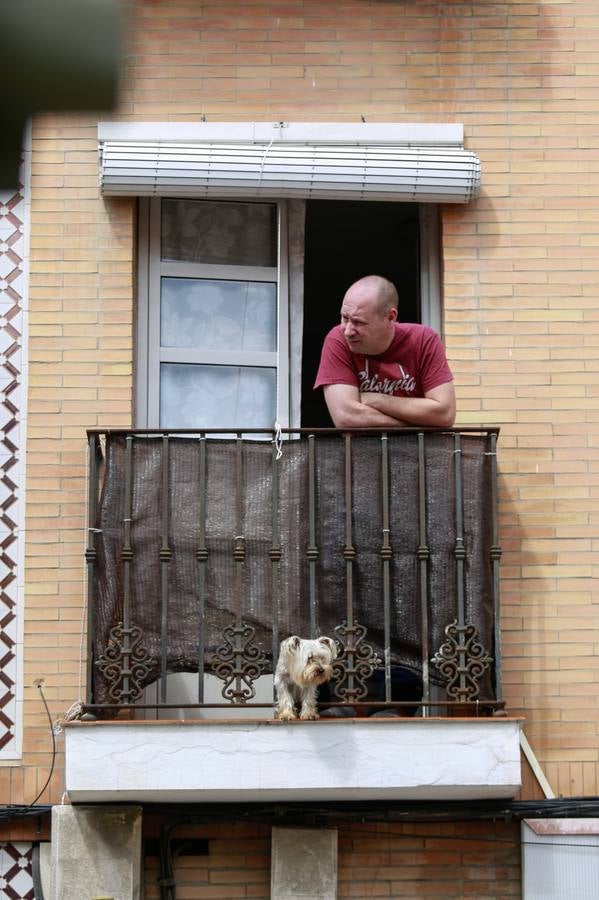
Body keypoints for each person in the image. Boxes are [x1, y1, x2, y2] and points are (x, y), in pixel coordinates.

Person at [314, 274, 456, 428]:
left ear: (390, 317)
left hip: (420, 451)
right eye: (344, 318)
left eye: (358, 322)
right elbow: (346, 417)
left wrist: (378, 400)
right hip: (360, 451)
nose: (348, 331)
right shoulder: (338, 339)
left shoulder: (423, 340)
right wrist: (419, 424)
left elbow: (444, 414)